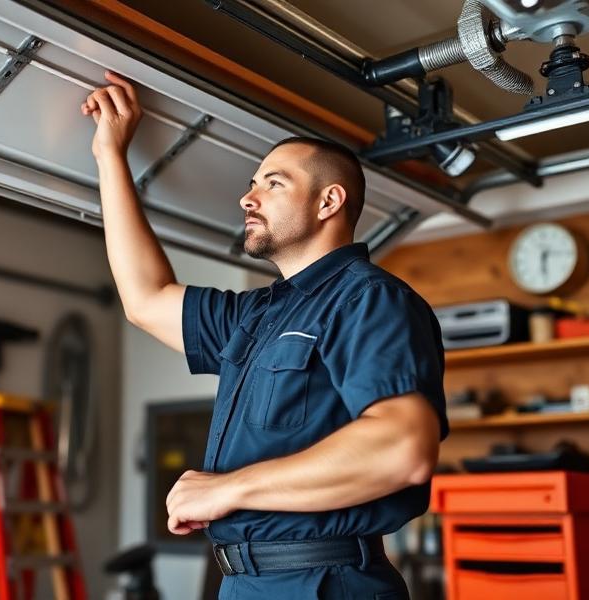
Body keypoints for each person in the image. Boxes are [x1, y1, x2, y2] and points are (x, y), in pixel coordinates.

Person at [82, 71, 448, 600]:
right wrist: (109, 156)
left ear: (329, 203)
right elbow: (147, 298)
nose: (248, 199)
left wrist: (226, 491)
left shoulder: (368, 299)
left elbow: (402, 448)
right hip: (247, 583)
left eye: (273, 183)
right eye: (253, 184)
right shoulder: (257, 315)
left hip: (324, 582)